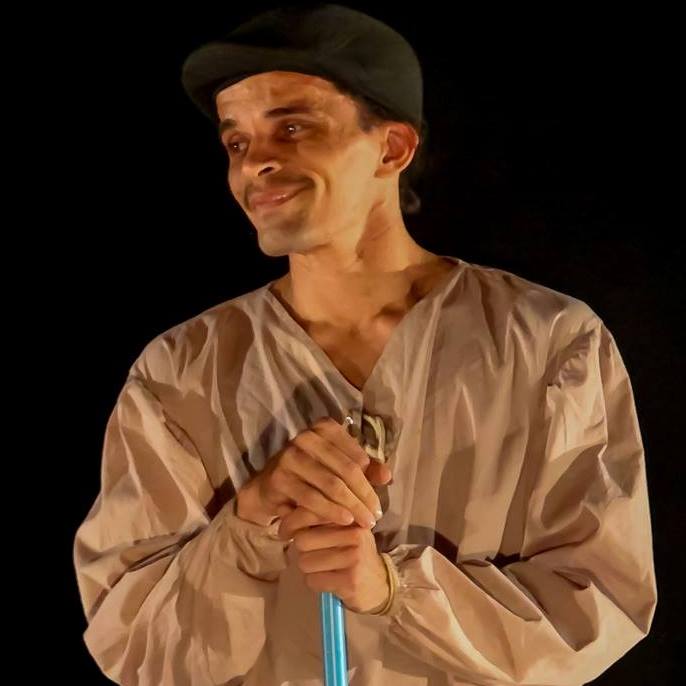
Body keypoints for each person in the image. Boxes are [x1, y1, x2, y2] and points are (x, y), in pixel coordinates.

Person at [73, 4, 657, 685]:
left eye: (293, 127)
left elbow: (597, 606)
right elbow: (134, 646)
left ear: (392, 148)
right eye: (235, 142)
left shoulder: (549, 344)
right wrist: (249, 524)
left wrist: (392, 590)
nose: (255, 163)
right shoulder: (179, 374)